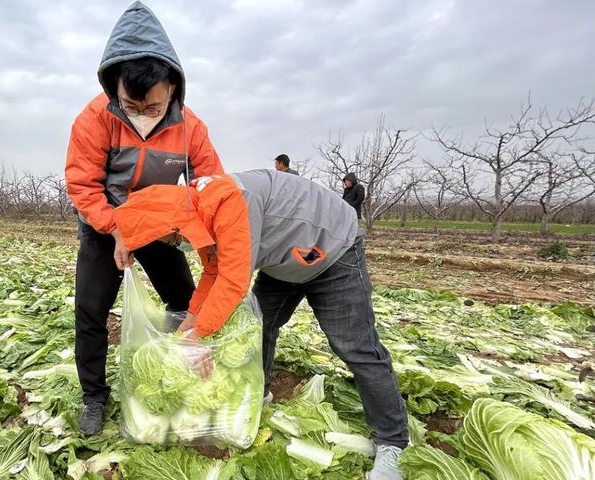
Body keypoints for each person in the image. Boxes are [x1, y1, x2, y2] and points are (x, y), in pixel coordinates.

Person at [113, 170, 409, 479]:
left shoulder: (228, 201)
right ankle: (260, 394)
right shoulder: (200, 211)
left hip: (331, 252)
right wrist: (189, 321)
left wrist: (198, 335)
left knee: (355, 346)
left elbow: (233, 281)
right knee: (259, 328)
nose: (178, 245)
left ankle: (392, 443)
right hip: (283, 261)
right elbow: (214, 272)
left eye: (173, 240)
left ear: (176, 224)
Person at [64, 1, 224, 436]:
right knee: (91, 310)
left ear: (171, 88)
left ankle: (185, 373)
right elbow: (83, 184)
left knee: (185, 302)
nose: (141, 115)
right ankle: (94, 397)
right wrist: (116, 228)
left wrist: (188, 229)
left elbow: (211, 185)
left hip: (161, 229)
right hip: (105, 228)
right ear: (114, 85)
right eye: (130, 104)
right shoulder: (95, 118)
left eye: (152, 107)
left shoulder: (191, 127)